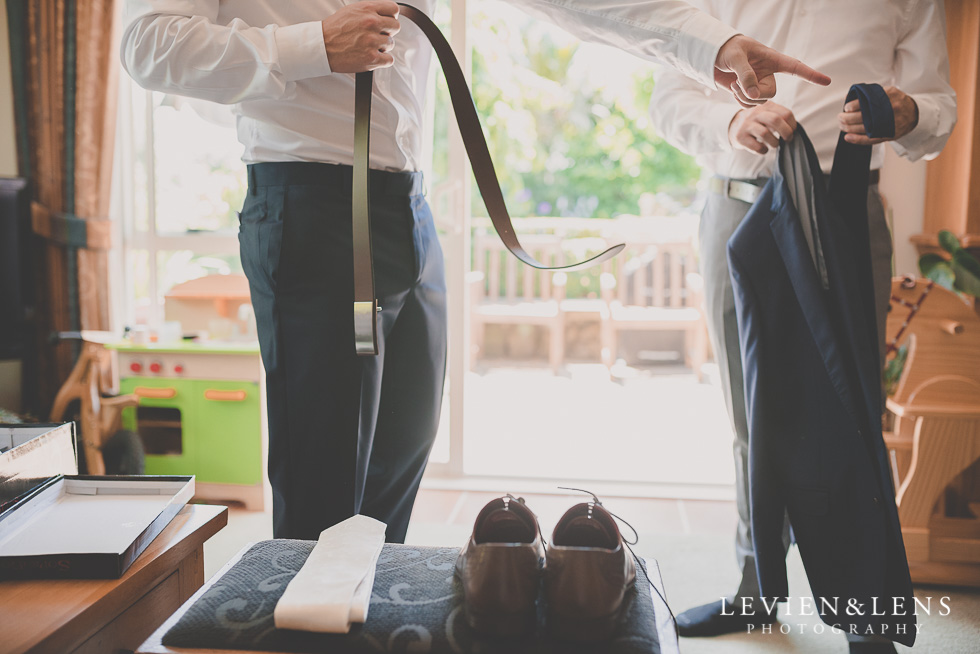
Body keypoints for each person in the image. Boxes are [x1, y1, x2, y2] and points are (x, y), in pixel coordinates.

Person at [121, 0, 830, 545]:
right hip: (308, 205)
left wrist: (714, 48)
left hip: (408, 205)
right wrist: (313, 46)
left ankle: (366, 624)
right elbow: (146, 44)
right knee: (324, 489)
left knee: (401, 453)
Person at [648, 1, 955, 651]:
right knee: (747, 412)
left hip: (847, 210)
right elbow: (669, 96)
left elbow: (937, 105)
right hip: (738, 206)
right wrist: (732, 120)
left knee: (852, 411)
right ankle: (757, 590)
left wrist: (909, 114)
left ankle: (864, 611)